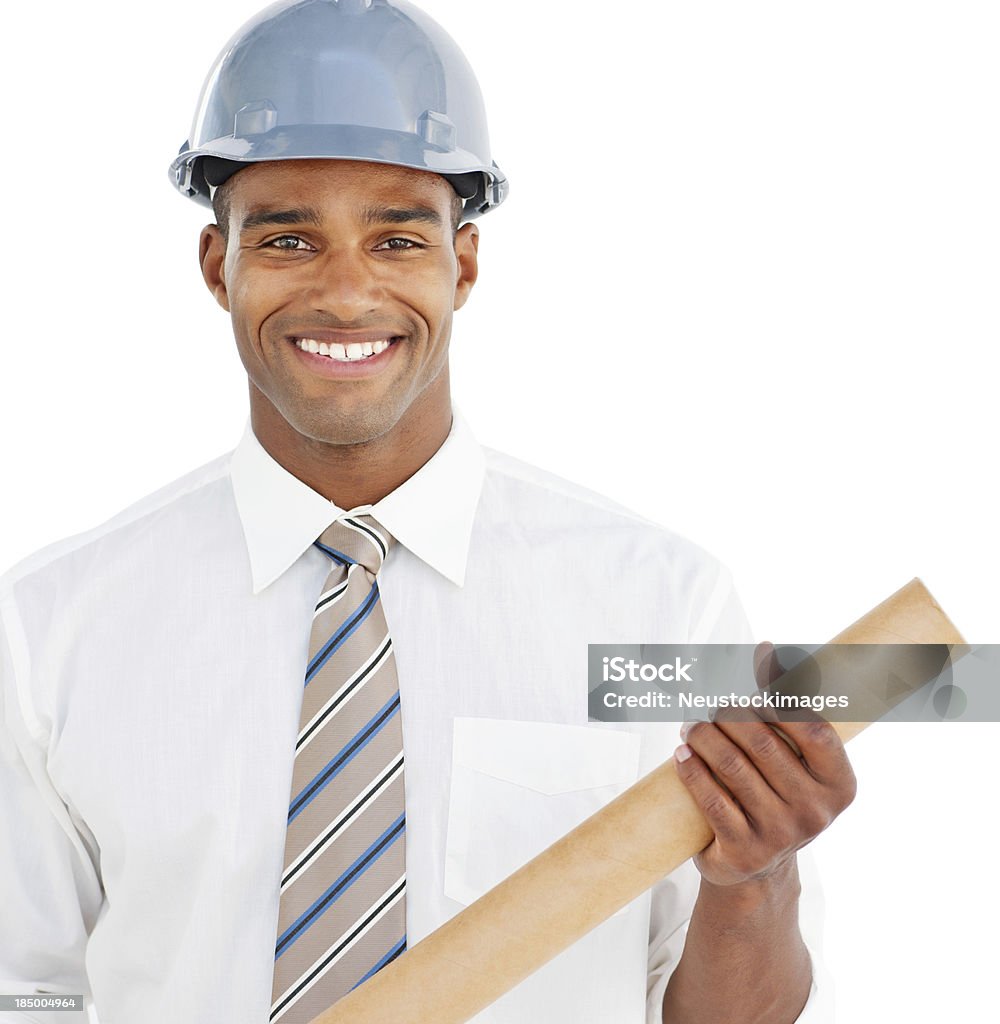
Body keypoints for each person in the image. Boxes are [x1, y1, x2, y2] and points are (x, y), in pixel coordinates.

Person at [0, 1, 856, 1022]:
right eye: (287, 238)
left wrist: (754, 878)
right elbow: (29, 989)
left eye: (398, 237)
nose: (348, 292)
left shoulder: (656, 604)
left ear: (464, 263)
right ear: (216, 266)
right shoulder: (53, 627)